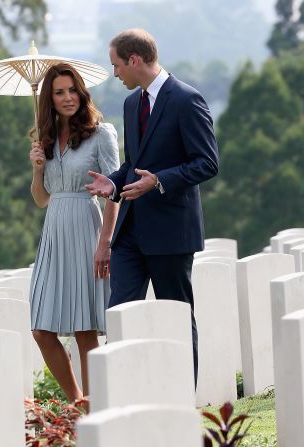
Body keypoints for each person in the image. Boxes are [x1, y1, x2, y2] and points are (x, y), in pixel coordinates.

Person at [85, 29, 219, 384]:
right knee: (119, 314)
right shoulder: (132, 104)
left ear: (135, 60)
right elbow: (135, 163)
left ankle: (180, 402)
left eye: (116, 65)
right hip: (131, 234)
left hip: (171, 233)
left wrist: (158, 181)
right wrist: (114, 182)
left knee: (176, 315)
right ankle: (125, 396)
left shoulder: (187, 100)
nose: (114, 74)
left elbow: (207, 162)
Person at [28, 62, 120, 403]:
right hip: (54, 232)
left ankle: (96, 413)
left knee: (85, 329)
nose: (68, 98)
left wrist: (105, 243)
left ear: (81, 92)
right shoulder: (46, 141)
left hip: (87, 226)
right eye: (59, 92)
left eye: (72, 90)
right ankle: (78, 401)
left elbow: (115, 191)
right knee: (41, 329)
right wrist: (38, 169)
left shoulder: (101, 134)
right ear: (49, 100)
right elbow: (41, 200)